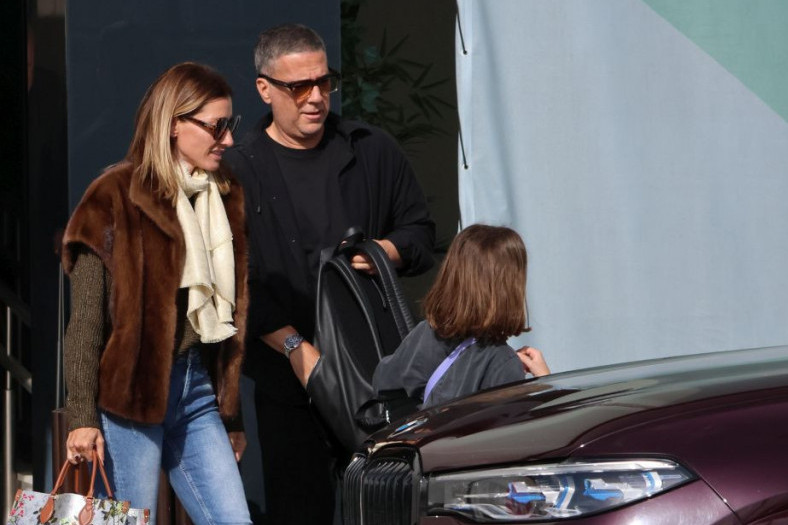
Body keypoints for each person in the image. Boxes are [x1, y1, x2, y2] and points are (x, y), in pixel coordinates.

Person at [222, 23, 435, 525]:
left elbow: (421, 233)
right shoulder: (239, 170)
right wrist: (295, 347)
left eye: (324, 82)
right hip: (289, 380)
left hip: (377, 376)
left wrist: (387, 251)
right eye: (299, 87)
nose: (316, 97)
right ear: (265, 89)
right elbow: (233, 281)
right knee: (301, 511)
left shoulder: (370, 149)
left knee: (388, 512)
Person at [61, 62, 251, 524]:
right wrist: (81, 416)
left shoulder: (223, 196)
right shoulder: (114, 196)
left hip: (196, 392)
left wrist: (232, 416)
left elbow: (228, 320)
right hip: (130, 396)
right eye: (216, 126)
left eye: (230, 125)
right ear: (173, 124)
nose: (227, 139)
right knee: (130, 521)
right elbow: (86, 322)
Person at [373, 224, 550, 408]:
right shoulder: (503, 363)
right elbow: (514, 423)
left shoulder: (425, 333)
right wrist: (546, 383)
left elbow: (382, 383)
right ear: (510, 287)